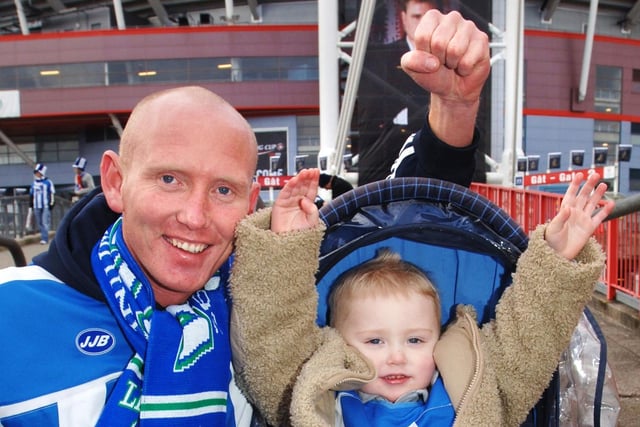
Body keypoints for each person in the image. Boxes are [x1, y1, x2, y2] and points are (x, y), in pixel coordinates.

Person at [0, 8, 487, 425]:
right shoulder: (14, 314)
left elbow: (404, 221)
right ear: (114, 181)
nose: (195, 216)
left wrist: (454, 105)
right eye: (169, 179)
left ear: (252, 199)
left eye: (223, 190)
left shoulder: (268, 297)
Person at [230, 165, 614, 426]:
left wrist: (556, 257)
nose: (397, 356)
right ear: (340, 344)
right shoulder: (320, 398)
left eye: (415, 340)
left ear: (438, 339)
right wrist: (286, 247)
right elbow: (273, 342)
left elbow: (528, 341)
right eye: (374, 341)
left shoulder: (470, 387)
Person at [356, 0, 437, 186]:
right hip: (388, 159)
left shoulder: (450, 62)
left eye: (427, 17)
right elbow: (373, 115)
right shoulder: (380, 60)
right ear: (404, 19)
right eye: (417, 16)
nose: (422, 24)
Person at [29, 162, 56, 245]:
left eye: (37, 172)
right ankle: (43, 237)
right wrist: (31, 204)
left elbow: (52, 193)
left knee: (45, 222)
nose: (36, 174)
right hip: (37, 205)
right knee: (39, 222)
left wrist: (52, 203)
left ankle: (45, 238)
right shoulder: (33, 183)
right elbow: (31, 194)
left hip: (45, 205)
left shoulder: (48, 182)